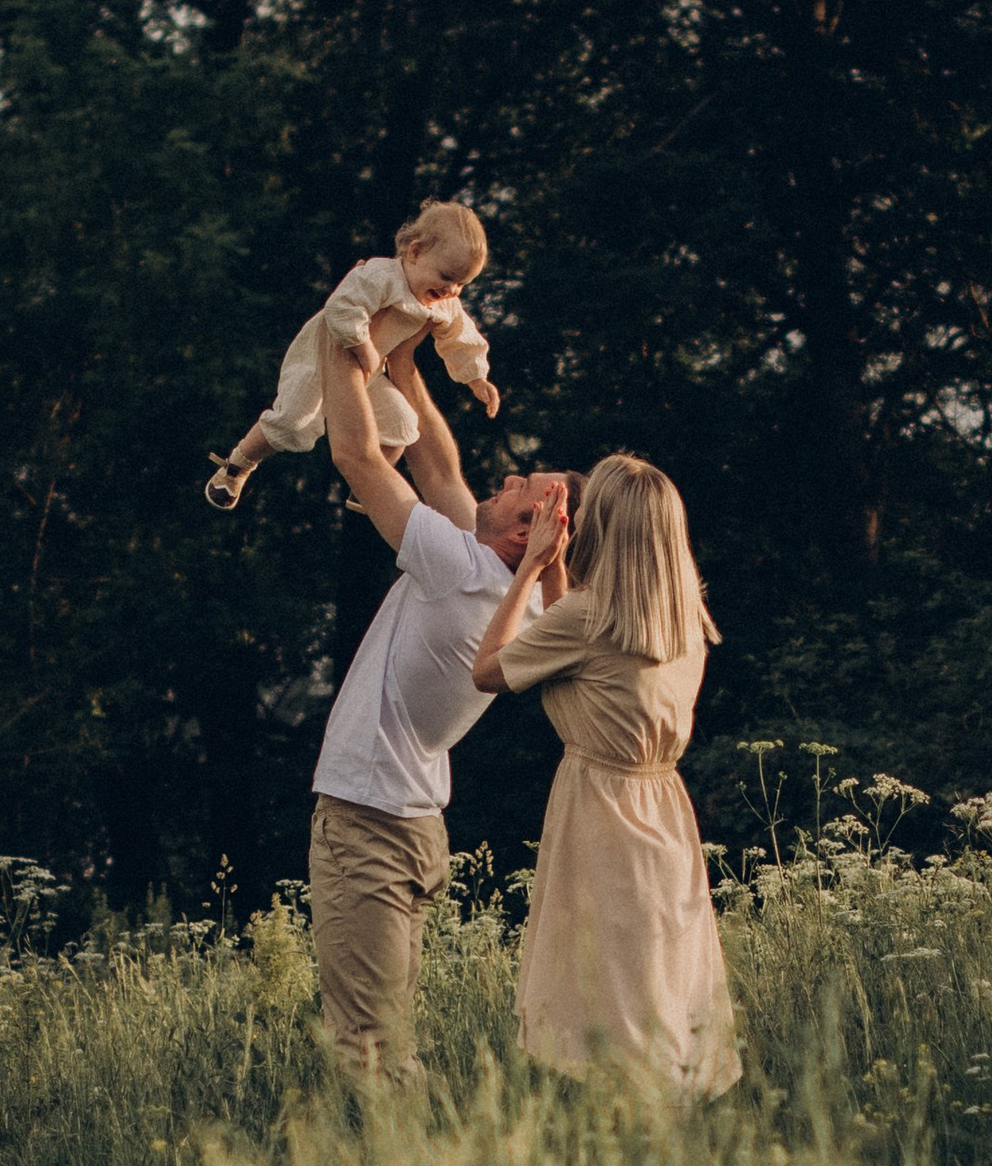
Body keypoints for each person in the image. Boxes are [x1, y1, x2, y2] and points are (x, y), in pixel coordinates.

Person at [303, 329, 565, 1084]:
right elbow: (437, 462)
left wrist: (338, 336)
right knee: (386, 1040)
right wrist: (406, 365)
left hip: (371, 823)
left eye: (524, 487)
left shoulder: (459, 570)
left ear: (524, 533)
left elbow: (357, 456)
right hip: (412, 821)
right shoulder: (522, 592)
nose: (508, 475)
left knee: (370, 1053)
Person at [472, 456, 740, 1098]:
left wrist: (534, 567)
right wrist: (560, 571)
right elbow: (579, 651)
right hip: (662, 811)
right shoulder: (680, 621)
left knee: (608, 996)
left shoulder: (589, 619)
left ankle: (627, 1151)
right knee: (654, 982)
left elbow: (487, 670)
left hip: (602, 813)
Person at [205, 197, 498, 512]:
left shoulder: (443, 304)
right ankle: (238, 465)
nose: (452, 291)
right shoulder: (381, 276)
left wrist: (477, 378)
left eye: (462, 284)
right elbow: (342, 307)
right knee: (291, 422)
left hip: (366, 375)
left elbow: (461, 338)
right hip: (319, 361)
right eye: (446, 277)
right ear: (415, 252)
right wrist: (363, 347)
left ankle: (370, 488)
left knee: (403, 425)